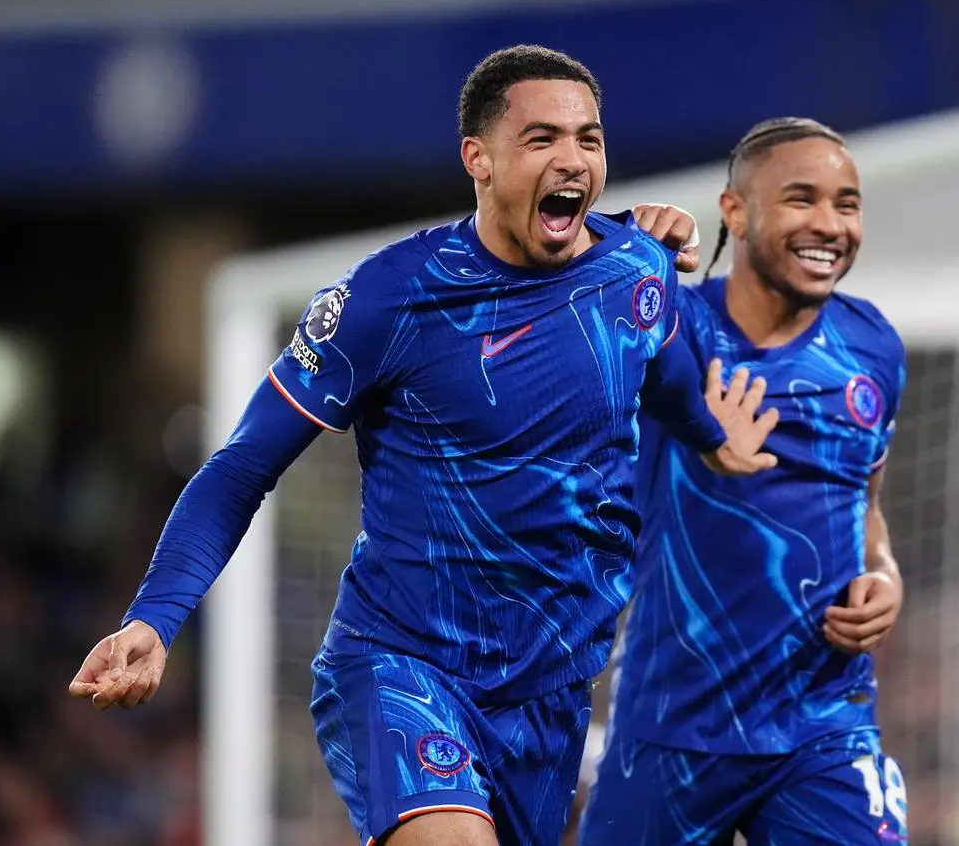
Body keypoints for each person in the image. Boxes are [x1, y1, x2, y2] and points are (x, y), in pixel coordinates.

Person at [68, 45, 779, 846]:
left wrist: (720, 438)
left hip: (549, 694)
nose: (572, 158)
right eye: (541, 138)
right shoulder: (387, 297)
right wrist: (155, 618)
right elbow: (240, 467)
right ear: (478, 157)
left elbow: (675, 383)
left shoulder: (638, 273)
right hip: (403, 665)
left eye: (588, 138)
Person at [579, 117, 910, 846]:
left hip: (823, 723)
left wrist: (883, 575)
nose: (828, 223)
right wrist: (631, 239)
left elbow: (867, 507)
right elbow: (550, 283)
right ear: (735, 211)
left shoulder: (872, 346)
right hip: (675, 724)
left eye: (845, 203)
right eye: (800, 199)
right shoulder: (673, 330)